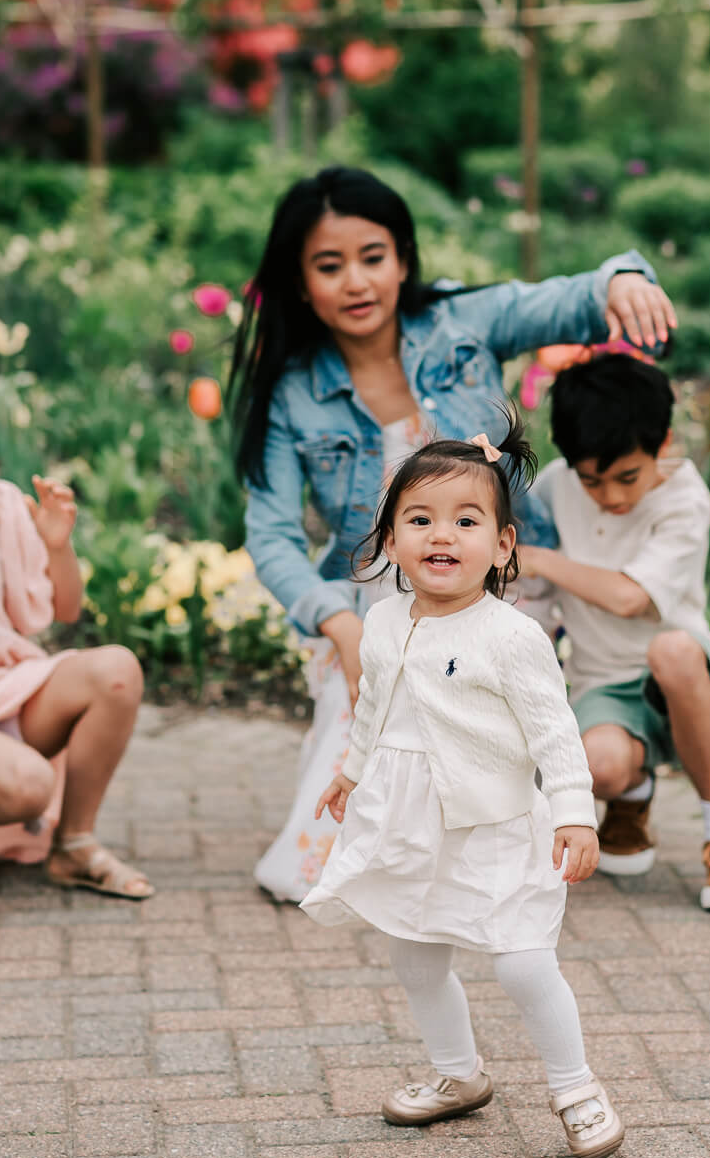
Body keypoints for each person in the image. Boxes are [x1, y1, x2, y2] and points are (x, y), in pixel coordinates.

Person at [230, 164, 676, 902]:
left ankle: (552, 815)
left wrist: (623, 280)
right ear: (300, 282)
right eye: (328, 265)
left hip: (503, 583)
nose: (356, 281)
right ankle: (386, 849)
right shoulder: (293, 392)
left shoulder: (461, 325)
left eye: (373, 257)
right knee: (384, 674)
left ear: (403, 259)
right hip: (369, 597)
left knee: (483, 703)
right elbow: (271, 534)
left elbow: (574, 297)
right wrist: (339, 626)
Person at [302, 422, 625, 1158]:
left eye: (466, 521)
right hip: (412, 824)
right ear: (389, 541)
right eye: (419, 520)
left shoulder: (510, 637)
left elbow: (554, 733)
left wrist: (575, 814)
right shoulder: (383, 622)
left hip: (498, 827)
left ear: (503, 546)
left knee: (521, 961)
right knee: (414, 957)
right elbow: (375, 705)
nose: (441, 536)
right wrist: (350, 772)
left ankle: (574, 1087)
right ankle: (458, 1076)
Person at [520, 351, 710, 911]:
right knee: (596, 769)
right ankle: (631, 794)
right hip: (603, 686)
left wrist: (546, 561)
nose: (610, 495)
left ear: (664, 441)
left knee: (672, 650)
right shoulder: (556, 487)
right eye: (592, 480)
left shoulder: (684, 497)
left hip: (690, 677)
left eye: (627, 477)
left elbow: (632, 597)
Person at [0, 344, 152, 898]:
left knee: (117, 668)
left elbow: (62, 613)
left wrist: (57, 545)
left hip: (2, 688)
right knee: (28, 784)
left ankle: (74, 844)